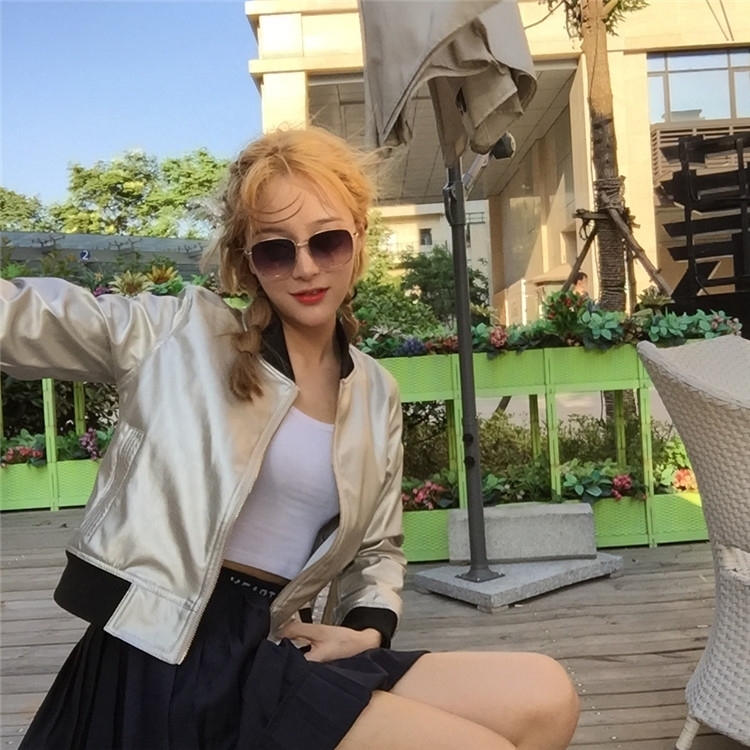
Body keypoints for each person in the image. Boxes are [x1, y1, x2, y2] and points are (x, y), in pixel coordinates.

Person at [0, 126, 579, 750]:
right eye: (277, 251)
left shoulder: (374, 389)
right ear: (248, 260)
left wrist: (367, 630)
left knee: (545, 694)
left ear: (358, 239)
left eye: (327, 241)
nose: (306, 268)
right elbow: (24, 317)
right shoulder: (177, 335)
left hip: (276, 639)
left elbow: (378, 547)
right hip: (166, 658)